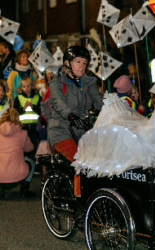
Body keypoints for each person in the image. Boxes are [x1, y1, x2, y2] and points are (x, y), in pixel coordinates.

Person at [48, 45, 104, 197]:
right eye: (78, 62)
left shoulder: (87, 83)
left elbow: (99, 101)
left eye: (85, 63)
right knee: (82, 161)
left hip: (81, 131)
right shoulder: (57, 82)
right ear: (68, 63)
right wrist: (70, 115)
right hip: (61, 131)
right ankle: (81, 203)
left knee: (101, 157)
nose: (82, 66)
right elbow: (58, 102)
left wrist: (114, 106)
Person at [0, 108, 35, 199]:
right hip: (18, 176)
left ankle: (1, 191)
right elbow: (30, 148)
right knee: (31, 162)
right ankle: (24, 191)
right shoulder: (22, 133)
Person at [14, 77, 41, 163]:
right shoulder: (18, 98)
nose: (26, 88)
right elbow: (15, 112)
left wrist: (33, 107)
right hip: (22, 127)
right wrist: (23, 108)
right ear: (21, 87)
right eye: (24, 86)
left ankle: (33, 164)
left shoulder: (37, 97)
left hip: (35, 127)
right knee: (23, 147)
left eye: (28, 86)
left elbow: (42, 110)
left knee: (33, 146)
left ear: (32, 86)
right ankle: (24, 165)